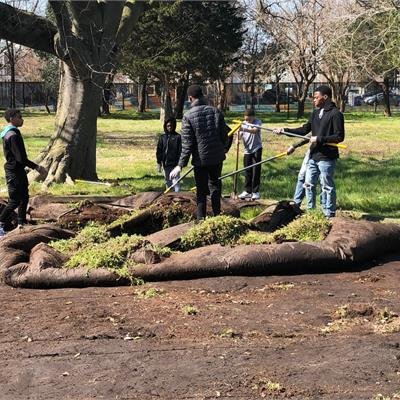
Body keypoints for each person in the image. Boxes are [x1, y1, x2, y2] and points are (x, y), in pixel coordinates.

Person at [274, 85, 345, 217]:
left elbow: (339, 137)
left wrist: (319, 138)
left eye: (316, 97)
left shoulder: (336, 114)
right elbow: (303, 130)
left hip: (327, 157)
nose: (314, 100)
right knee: (308, 184)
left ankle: (328, 213)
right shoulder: (315, 113)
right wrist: (284, 130)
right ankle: (311, 212)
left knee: (327, 186)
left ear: (325, 97)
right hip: (313, 155)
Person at [170, 84, 228, 220]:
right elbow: (224, 136)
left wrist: (180, 165)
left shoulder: (188, 116)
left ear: (190, 98)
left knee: (201, 191)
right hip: (216, 158)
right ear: (202, 95)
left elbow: (187, 144)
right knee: (215, 186)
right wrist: (222, 148)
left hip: (200, 160)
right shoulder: (216, 112)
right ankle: (217, 217)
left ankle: (200, 220)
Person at [0, 109, 46, 237]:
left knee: (24, 198)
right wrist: (36, 167)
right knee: (14, 201)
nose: (22, 119)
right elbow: (20, 158)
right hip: (13, 172)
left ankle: (21, 223)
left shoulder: (12, 133)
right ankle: (1, 224)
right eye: (19, 117)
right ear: (12, 119)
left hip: (19, 170)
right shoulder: (12, 135)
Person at [237, 108, 263, 200]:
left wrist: (244, 128)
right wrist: (238, 138)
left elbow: (255, 130)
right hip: (247, 150)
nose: (247, 121)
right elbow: (239, 133)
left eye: (249, 119)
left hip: (256, 148)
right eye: (246, 119)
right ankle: (247, 191)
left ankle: (255, 192)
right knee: (247, 171)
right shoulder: (243, 123)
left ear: (253, 117)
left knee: (256, 170)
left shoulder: (257, 122)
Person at [156, 117, 182, 192]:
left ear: (174, 126)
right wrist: (159, 162)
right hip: (165, 164)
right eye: (168, 126)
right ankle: (169, 199)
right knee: (168, 183)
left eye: (171, 126)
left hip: (175, 165)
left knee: (176, 183)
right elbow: (159, 150)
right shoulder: (162, 137)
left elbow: (180, 151)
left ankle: (177, 197)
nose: (169, 127)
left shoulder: (178, 137)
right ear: (165, 126)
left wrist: (179, 165)